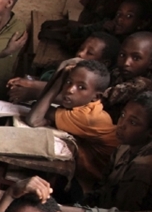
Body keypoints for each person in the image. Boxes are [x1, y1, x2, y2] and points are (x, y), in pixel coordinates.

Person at [25, 59, 119, 192]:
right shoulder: (85, 106)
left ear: (96, 96)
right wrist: (60, 74)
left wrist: (58, 83)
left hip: (95, 186)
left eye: (81, 87)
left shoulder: (87, 117)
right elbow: (40, 111)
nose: (70, 90)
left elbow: (33, 119)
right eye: (68, 82)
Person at [85, 90, 152, 211]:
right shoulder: (126, 146)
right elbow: (104, 185)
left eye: (133, 122)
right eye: (123, 115)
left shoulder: (144, 169)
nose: (121, 124)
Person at [7, 32, 120, 104]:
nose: (80, 54)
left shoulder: (101, 83)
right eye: (81, 48)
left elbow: (66, 96)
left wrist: (32, 89)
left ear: (105, 63)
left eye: (89, 53)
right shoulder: (75, 68)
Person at [101, 31, 152, 122]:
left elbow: (105, 97)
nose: (126, 63)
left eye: (136, 58)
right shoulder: (119, 72)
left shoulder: (142, 84)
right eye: (122, 55)